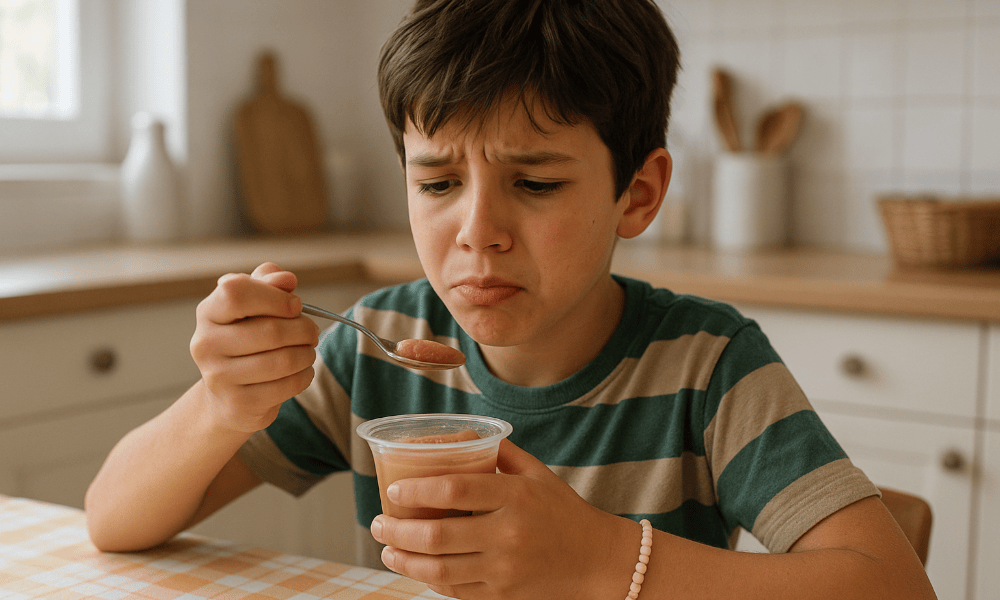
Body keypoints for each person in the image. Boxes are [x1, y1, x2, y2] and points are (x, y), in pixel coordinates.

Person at [86, 1, 937, 599]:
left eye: (534, 183)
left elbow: (895, 589)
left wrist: (601, 560)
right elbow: (113, 520)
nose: (477, 232)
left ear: (638, 194)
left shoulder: (707, 366)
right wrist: (221, 404)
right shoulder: (374, 343)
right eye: (438, 182)